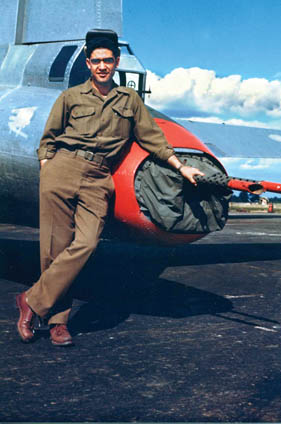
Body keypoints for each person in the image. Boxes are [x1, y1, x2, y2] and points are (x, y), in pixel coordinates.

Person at [16, 29, 204, 346]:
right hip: (62, 170)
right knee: (54, 250)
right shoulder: (70, 97)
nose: (102, 66)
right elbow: (48, 139)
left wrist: (181, 166)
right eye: (96, 61)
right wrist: (48, 168)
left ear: (116, 63)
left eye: (108, 60)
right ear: (88, 64)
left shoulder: (129, 100)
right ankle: (57, 323)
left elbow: (153, 139)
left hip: (98, 177)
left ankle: (31, 301)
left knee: (87, 243)